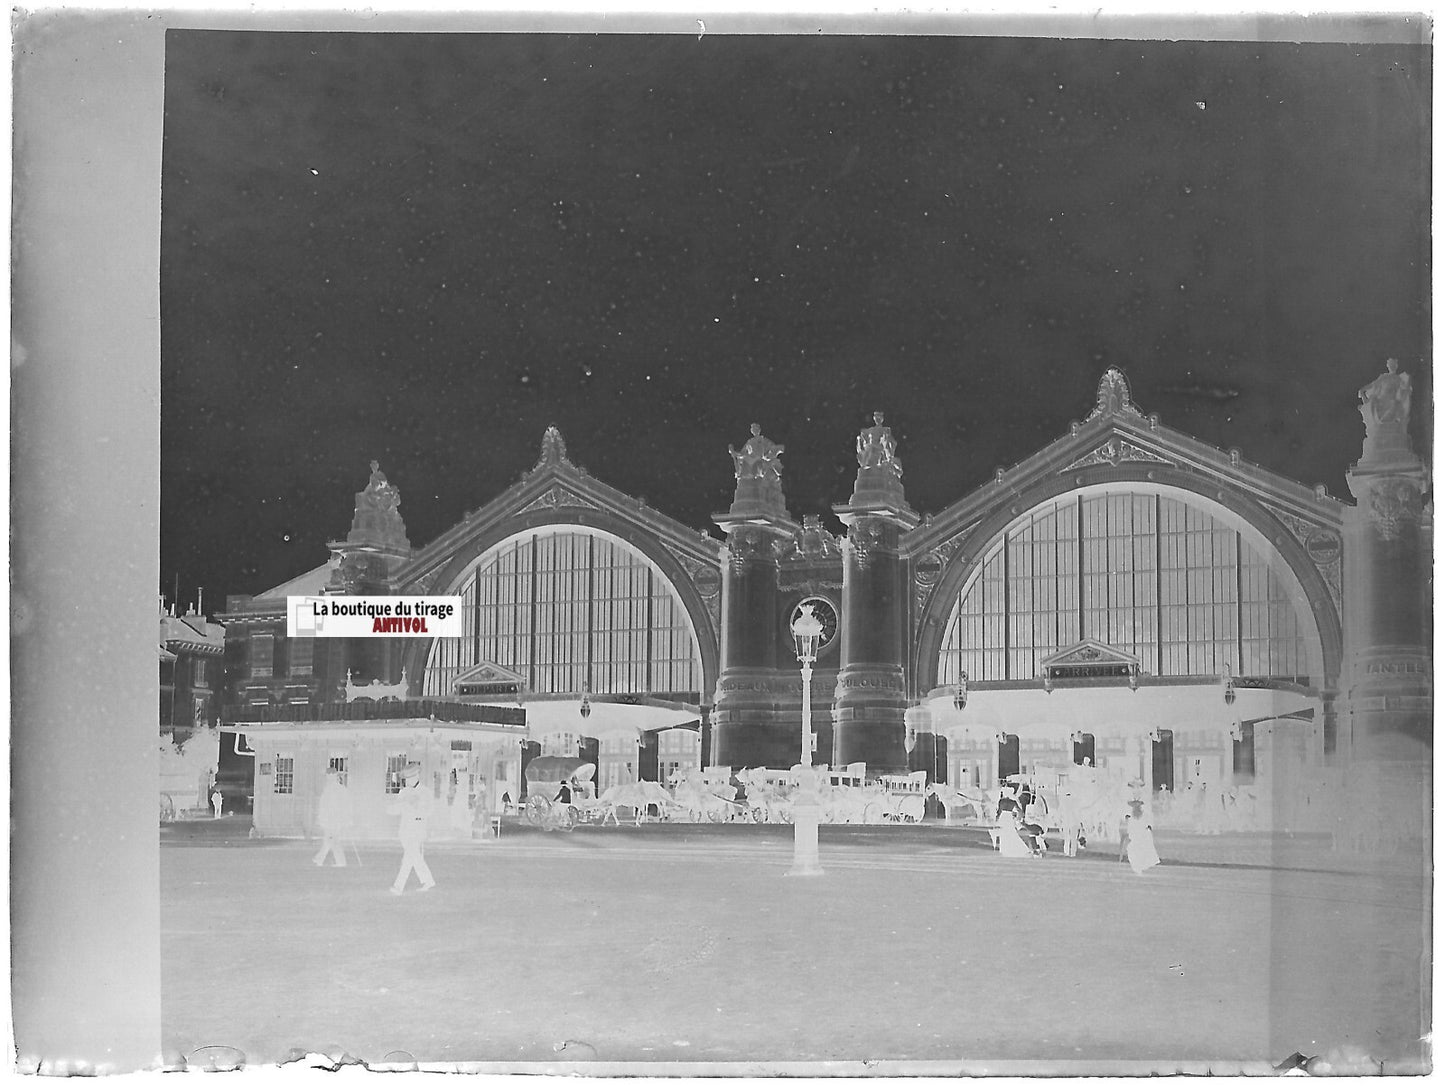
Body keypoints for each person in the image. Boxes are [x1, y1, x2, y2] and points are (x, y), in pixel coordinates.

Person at [388, 763, 436, 895]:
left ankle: (398, 887)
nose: (408, 781)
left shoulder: (425, 792)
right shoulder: (404, 792)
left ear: (417, 776)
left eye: (410, 778)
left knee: (409, 858)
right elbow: (395, 810)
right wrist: (400, 804)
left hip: (418, 829)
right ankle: (428, 880)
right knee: (414, 856)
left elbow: (429, 811)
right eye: (406, 778)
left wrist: (418, 808)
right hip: (405, 830)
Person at [312, 767, 354, 868]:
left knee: (333, 840)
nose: (327, 778)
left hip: (334, 819)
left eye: (328, 776)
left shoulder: (336, 789)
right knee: (329, 839)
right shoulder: (332, 789)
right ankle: (319, 859)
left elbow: (344, 805)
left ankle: (339, 862)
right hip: (331, 819)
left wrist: (346, 818)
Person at [1124, 800, 1161, 875]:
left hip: (1142, 838)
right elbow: (1130, 829)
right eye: (1134, 806)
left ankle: (1140, 867)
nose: (1136, 808)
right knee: (1132, 851)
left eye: (1137, 806)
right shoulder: (1130, 817)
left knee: (1141, 852)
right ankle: (1137, 868)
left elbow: (1148, 827)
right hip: (1135, 838)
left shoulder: (1145, 816)